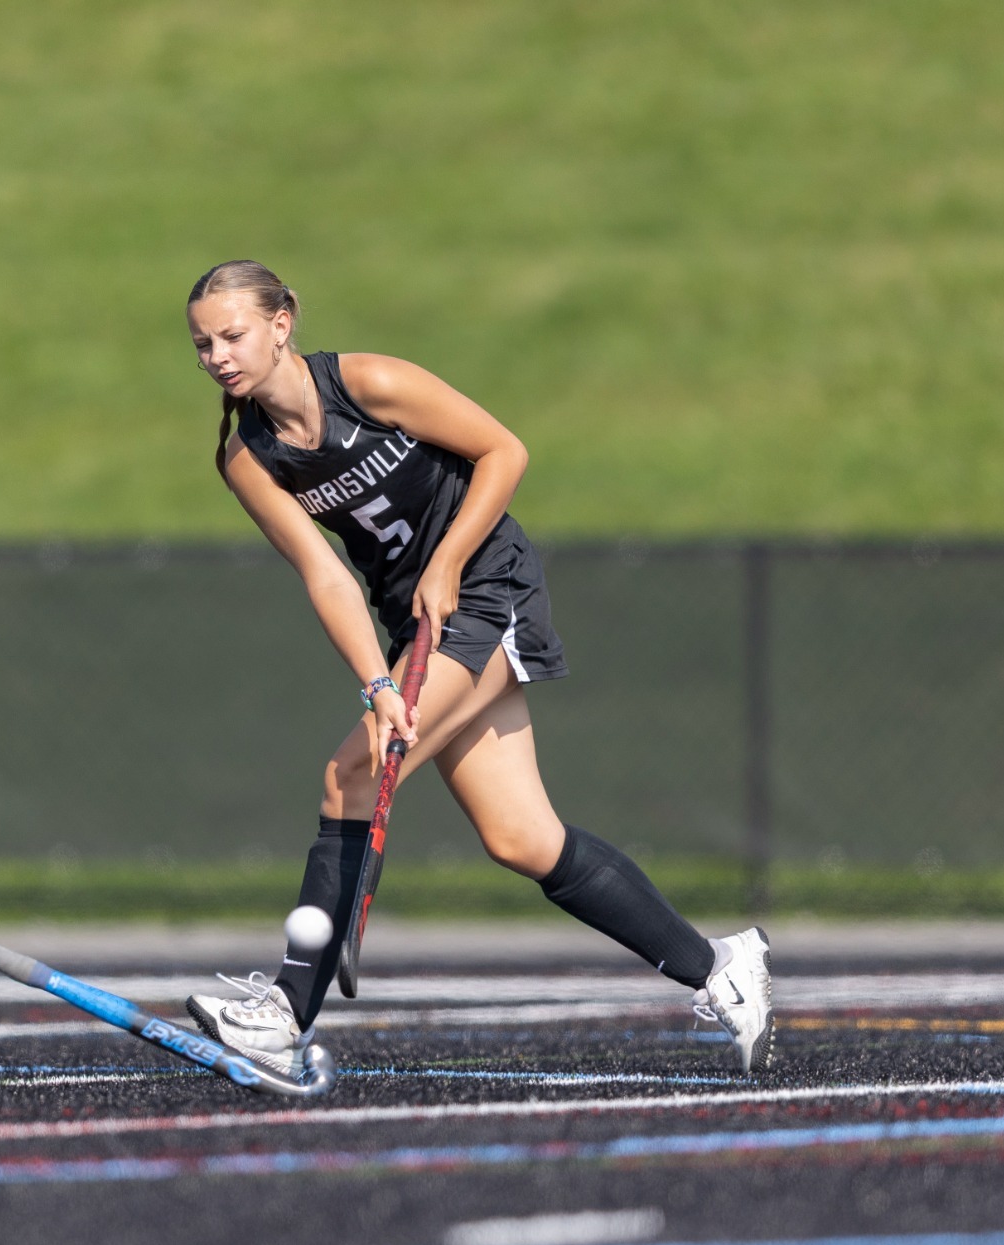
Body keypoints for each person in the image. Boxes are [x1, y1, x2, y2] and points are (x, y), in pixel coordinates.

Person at [180, 261, 773, 1078]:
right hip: (414, 629)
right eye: (204, 343)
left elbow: (503, 450)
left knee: (350, 773)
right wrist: (379, 684)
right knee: (521, 838)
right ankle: (721, 967)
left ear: (282, 324)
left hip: (488, 591)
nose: (217, 355)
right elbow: (326, 577)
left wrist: (450, 556)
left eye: (233, 335)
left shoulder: (370, 381)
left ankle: (284, 1015)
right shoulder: (249, 457)